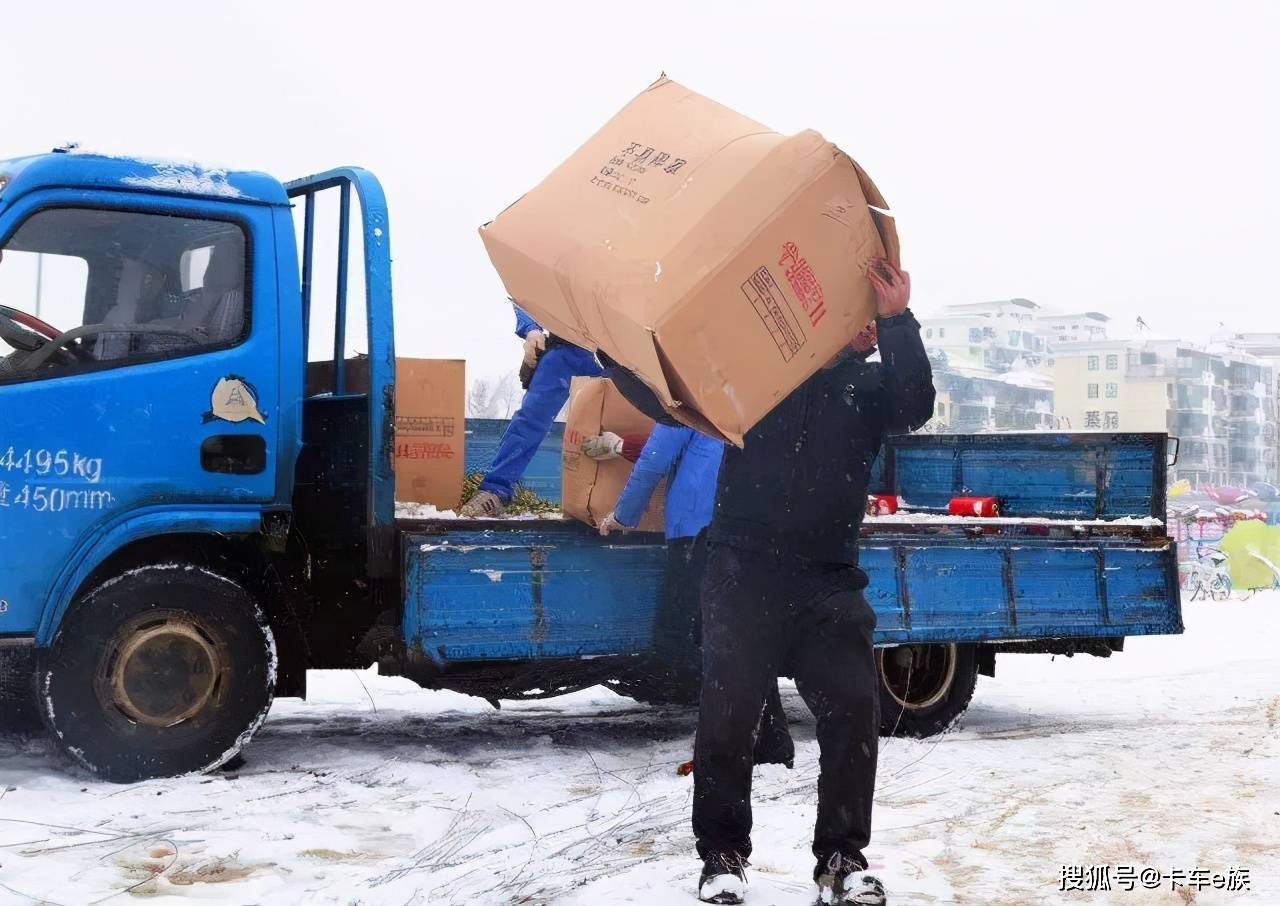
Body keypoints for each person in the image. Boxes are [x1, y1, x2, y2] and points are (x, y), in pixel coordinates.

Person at [604, 258, 933, 906]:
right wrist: (612, 342)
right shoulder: (756, 381)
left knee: (853, 703)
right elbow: (669, 396)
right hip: (744, 569)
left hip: (827, 579)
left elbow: (915, 403)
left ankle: (841, 859)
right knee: (728, 711)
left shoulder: (866, 395)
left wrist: (898, 320)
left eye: (863, 321)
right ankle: (723, 856)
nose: (857, 329)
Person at [582, 424, 794, 768]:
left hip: (697, 531)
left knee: (677, 639)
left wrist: (624, 515)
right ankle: (770, 737)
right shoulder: (750, 394)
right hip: (747, 528)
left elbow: (655, 459)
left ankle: (734, 736)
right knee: (735, 636)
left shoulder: (689, 394)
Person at [461, 304, 601, 516]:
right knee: (529, 420)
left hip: (616, 356)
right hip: (566, 349)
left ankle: (613, 501)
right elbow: (527, 289)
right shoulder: (563, 270)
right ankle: (495, 490)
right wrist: (532, 329)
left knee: (625, 421)